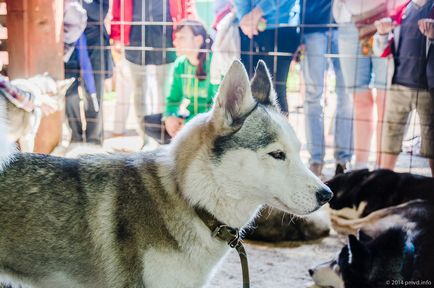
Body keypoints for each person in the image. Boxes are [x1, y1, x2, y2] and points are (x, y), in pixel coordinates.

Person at [113, 0, 196, 146]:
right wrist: (117, 34)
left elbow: (187, 4)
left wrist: (189, 26)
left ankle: (165, 140)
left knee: (165, 90)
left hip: (166, 33)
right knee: (139, 90)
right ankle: (144, 140)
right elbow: (117, 5)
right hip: (134, 33)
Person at [374, 0, 434, 176]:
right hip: (398, 86)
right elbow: (381, 50)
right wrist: (382, 34)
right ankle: (383, 181)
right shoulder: (401, 11)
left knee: (431, 141)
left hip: (428, 90)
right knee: (390, 137)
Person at [333, 0, 391, 169]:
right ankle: (361, 166)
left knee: (384, 100)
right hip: (349, 22)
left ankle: (382, 169)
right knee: (360, 100)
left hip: (386, 18)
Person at [301, 0, 353, 176]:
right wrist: (299, 33)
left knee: (347, 96)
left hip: (346, 25)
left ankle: (343, 160)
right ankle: (316, 160)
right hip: (313, 26)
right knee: (313, 96)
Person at [144, 20, 218, 144]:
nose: (175, 42)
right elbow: (173, 100)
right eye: (176, 37)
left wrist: (190, 123)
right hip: (187, 120)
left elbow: (216, 109)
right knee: (150, 123)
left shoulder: (214, 63)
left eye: (181, 38)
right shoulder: (180, 64)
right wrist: (169, 117)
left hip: (208, 123)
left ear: (198, 40)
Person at [233, 0, 301, 115]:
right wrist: (246, 18)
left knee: (275, 93)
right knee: (249, 92)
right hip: (249, 29)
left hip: (281, 27)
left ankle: (279, 132)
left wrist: (257, 13)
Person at [64, 0, 113, 146]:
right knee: (69, 93)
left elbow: (99, 13)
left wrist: (75, 4)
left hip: (94, 43)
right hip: (68, 42)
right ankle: (76, 136)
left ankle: (94, 140)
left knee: (94, 94)